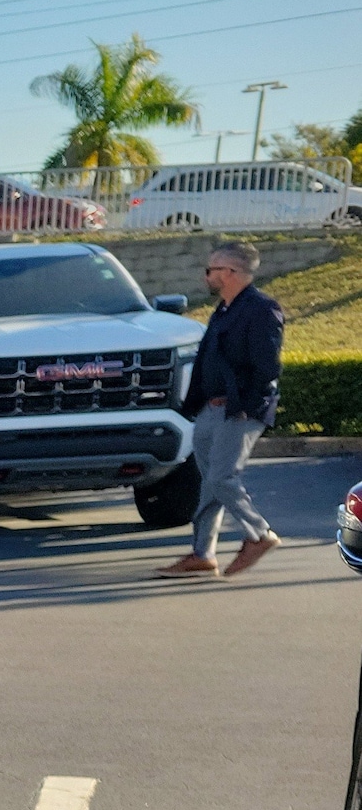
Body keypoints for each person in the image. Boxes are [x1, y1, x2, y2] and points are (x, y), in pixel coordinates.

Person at [156, 241, 285, 578]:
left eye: (211, 269)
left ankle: (259, 534)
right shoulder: (224, 310)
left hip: (238, 410)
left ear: (230, 273)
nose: (206, 275)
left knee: (222, 477)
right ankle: (202, 554)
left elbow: (267, 368)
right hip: (209, 409)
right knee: (210, 483)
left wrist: (244, 404)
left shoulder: (261, 309)